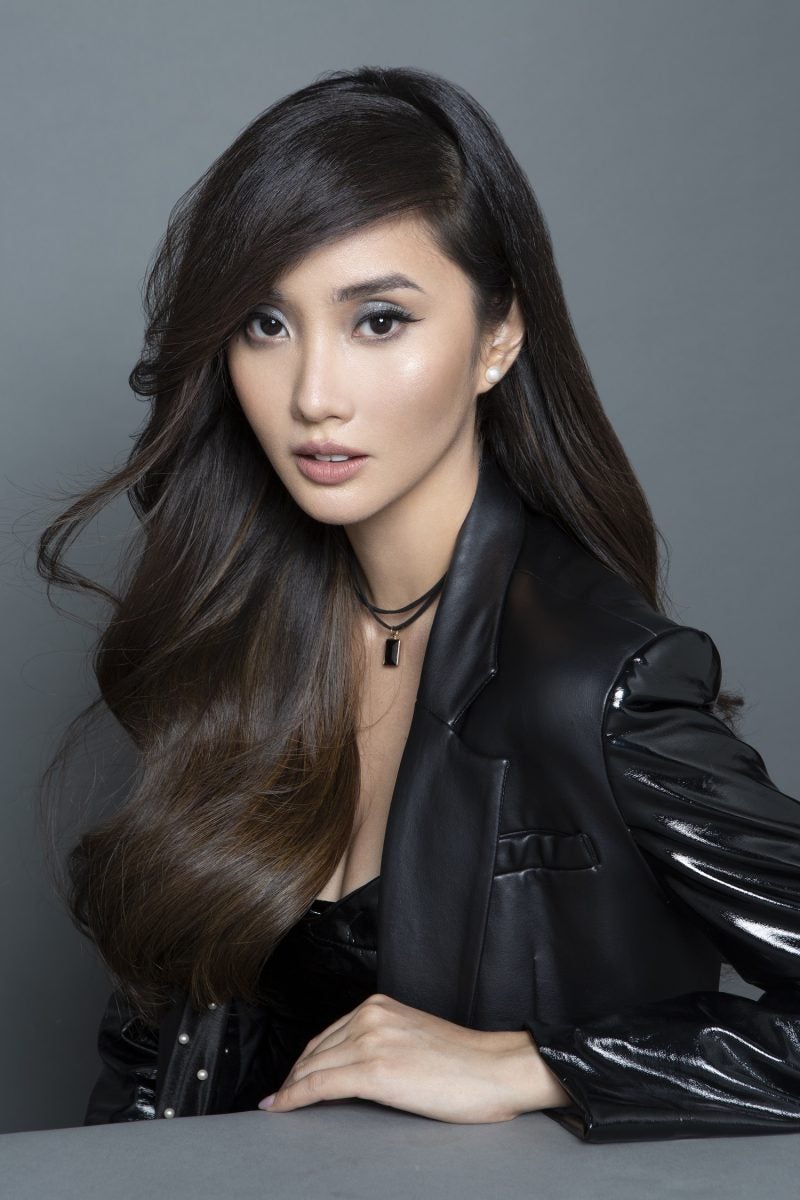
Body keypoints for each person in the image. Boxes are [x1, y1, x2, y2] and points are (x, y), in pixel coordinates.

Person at [37, 65, 799, 1143]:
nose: (313, 396)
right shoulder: (240, 631)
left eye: (379, 320)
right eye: (265, 323)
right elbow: (152, 1052)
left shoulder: (593, 682)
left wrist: (536, 1063)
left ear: (497, 338)